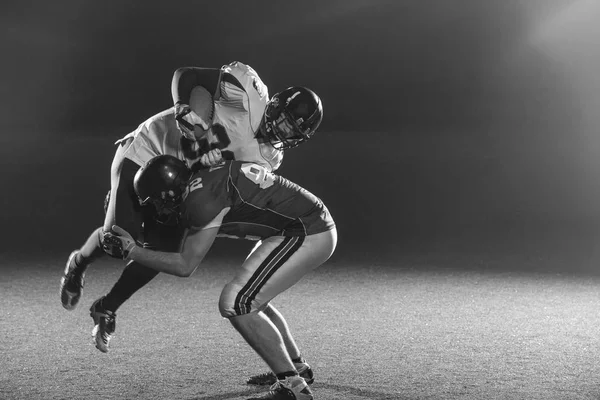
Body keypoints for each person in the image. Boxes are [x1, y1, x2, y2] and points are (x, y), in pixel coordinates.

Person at [59, 61, 324, 359]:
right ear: (274, 104)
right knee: (117, 238)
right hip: (149, 149)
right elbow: (188, 75)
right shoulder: (247, 91)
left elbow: (226, 184)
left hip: (181, 181)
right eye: (285, 120)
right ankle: (78, 263)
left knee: (162, 249)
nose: (281, 130)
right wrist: (183, 107)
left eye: (292, 131)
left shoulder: (269, 159)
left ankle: (107, 308)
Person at [105, 154, 337, 400]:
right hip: (298, 226)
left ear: (169, 194)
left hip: (307, 231)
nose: (156, 209)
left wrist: (132, 250)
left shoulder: (200, 201)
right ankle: (297, 368)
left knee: (237, 302)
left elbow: (185, 265)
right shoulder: (200, 182)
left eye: (155, 203)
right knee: (254, 300)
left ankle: (292, 386)